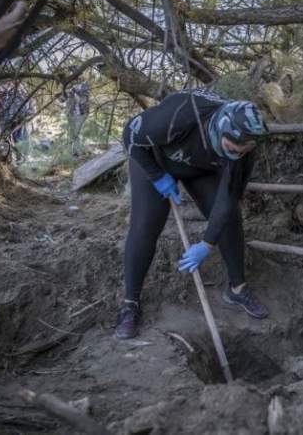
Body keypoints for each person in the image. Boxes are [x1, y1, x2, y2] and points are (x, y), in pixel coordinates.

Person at [115, 88, 271, 339]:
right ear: (221, 128)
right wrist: (157, 176)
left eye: (242, 151)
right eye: (232, 147)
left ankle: (237, 289)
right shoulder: (179, 116)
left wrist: (206, 244)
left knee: (229, 218)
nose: (238, 154)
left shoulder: (242, 150)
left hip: (199, 168)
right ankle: (130, 304)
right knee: (145, 226)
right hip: (155, 159)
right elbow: (129, 134)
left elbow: (228, 198)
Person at [0, 81, 33, 162]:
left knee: (20, 139)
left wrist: (27, 114)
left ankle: (21, 160)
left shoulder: (21, 87)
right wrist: (1, 108)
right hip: (7, 118)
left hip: (19, 118)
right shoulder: (3, 87)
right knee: (8, 141)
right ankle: (9, 161)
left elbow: (30, 102)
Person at [64, 81, 90, 157]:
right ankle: (72, 151)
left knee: (77, 133)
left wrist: (74, 90)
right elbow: (65, 98)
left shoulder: (84, 84)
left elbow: (85, 94)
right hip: (71, 113)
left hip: (82, 113)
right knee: (72, 133)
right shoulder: (69, 85)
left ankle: (78, 152)